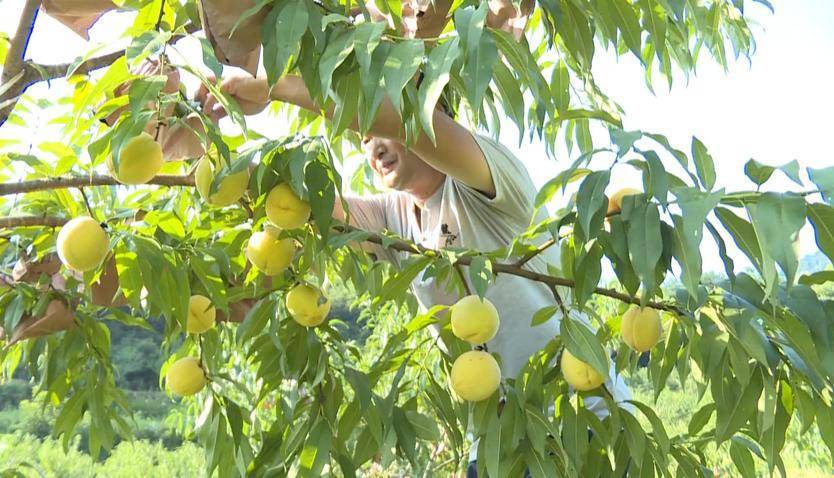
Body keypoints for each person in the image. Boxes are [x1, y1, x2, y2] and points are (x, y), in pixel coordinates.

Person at [198, 71, 632, 474]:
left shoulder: (486, 177)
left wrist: (273, 85)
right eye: (365, 139)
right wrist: (206, 142)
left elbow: (409, 123)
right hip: (499, 439)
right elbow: (304, 205)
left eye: (379, 129)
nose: (373, 148)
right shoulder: (396, 218)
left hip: (583, 416)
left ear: (432, 108)